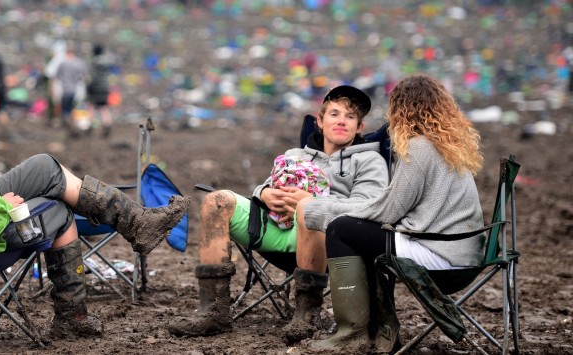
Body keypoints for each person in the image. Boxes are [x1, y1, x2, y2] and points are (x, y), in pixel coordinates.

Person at [0, 10, 189, 339]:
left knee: (44, 166)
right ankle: (73, 313)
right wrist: (3, 204)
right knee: (59, 210)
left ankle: (136, 223)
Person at [167, 85, 389, 340]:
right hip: (277, 229)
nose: (341, 121)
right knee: (216, 201)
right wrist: (264, 193)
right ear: (320, 120)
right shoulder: (294, 155)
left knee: (310, 210)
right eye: (334, 114)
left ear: (360, 127)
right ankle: (214, 312)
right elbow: (269, 182)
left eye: (350, 117)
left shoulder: (370, 161)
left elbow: (369, 208)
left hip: (329, 241)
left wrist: (314, 201)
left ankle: (307, 315)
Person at [293, 73, 486, 353]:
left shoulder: (419, 147)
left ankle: (352, 333)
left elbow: (387, 211)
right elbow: (390, 207)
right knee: (357, 231)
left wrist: (321, 210)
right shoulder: (446, 144)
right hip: (463, 255)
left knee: (341, 230)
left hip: (441, 258)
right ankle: (374, 328)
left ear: (401, 109)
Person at [54, 47, 87, 134]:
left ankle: (68, 125)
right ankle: (73, 124)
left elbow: (57, 77)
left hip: (65, 90)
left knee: (65, 109)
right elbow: (83, 76)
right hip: (76, 91)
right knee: (75, 108)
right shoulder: (80, 63)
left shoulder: (63, 63)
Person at [87, 44, 114, 137]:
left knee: (91, 106)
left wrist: (89, 87)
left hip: (96, 88)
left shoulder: (94, 62)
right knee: (104, 107)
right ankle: (107, 124)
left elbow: (93, 77)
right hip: (105, 87)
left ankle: (90, 125)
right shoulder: (107, 61)